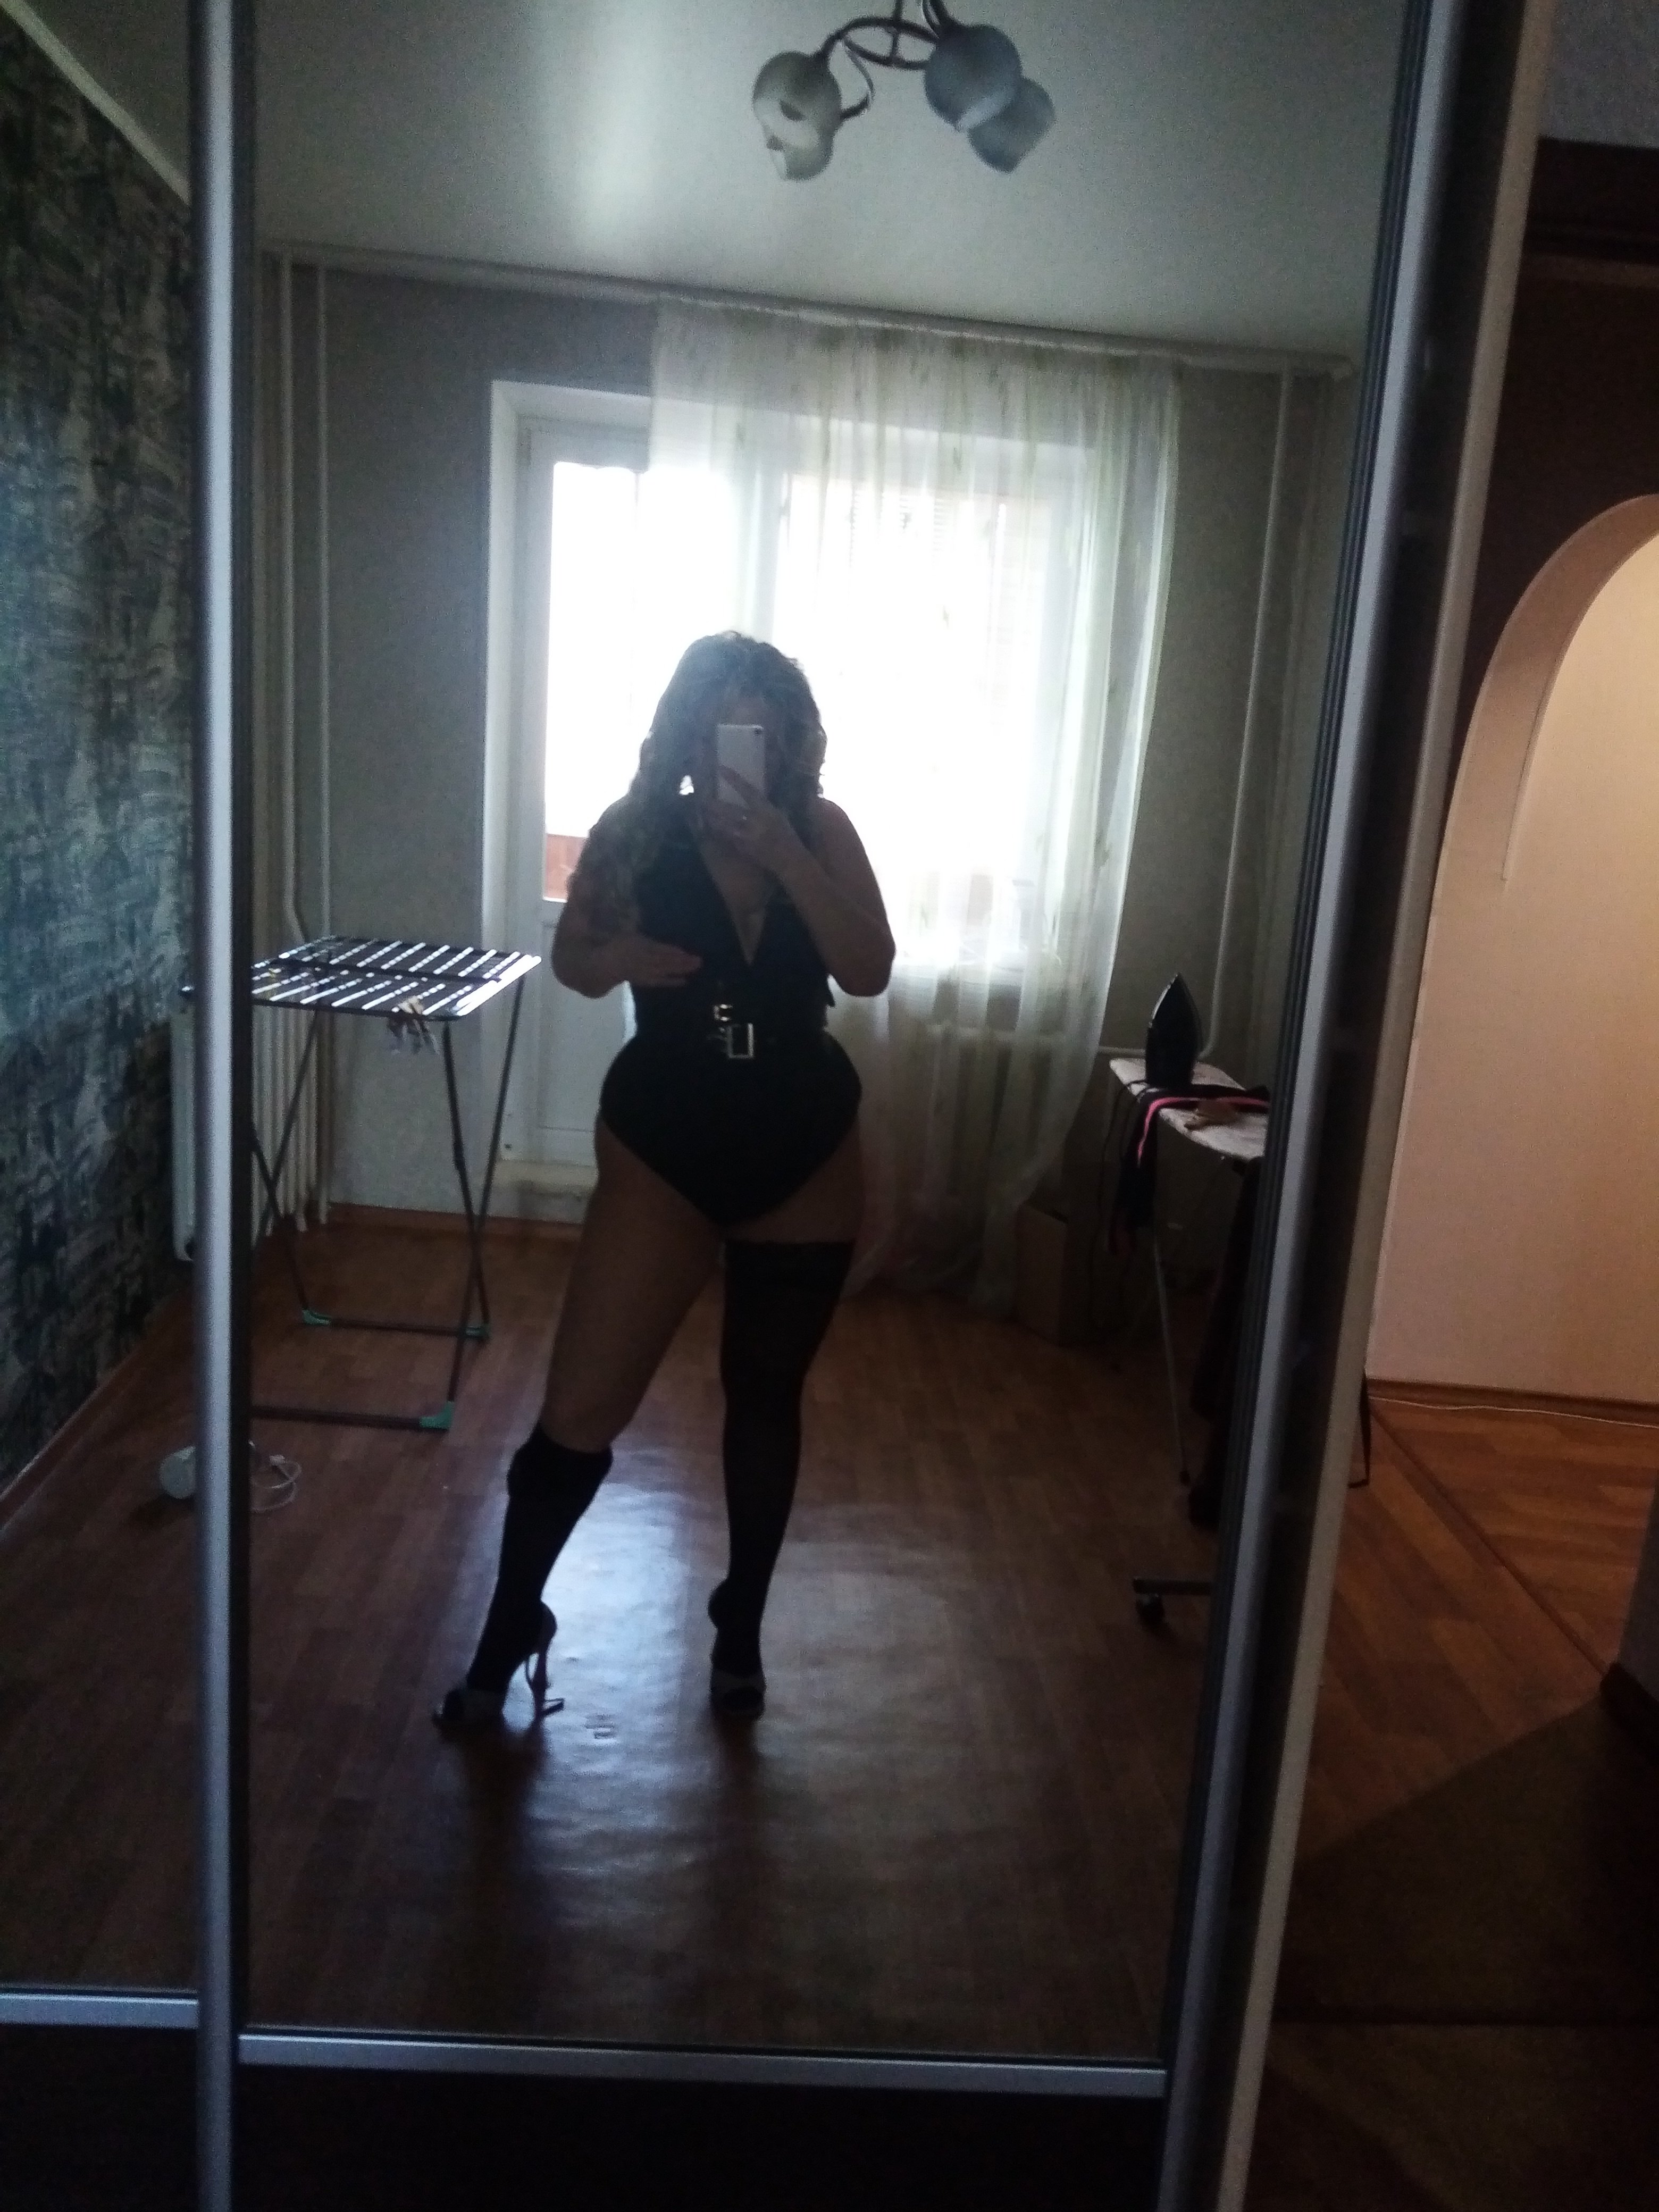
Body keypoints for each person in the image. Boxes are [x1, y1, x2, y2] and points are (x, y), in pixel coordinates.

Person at [434, 633, 894, 1729]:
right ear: (684, 737)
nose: (730, 749)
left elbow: (870, 967)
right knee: (578, 1411)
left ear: (789, 742)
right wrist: (623, 961)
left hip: (801, 1142)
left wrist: (787, 855)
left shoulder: (823, 831)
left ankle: (741, 1623)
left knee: (765, 1399)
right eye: (712, 726)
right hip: (667, 1145)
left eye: (756, 729)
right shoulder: (635, 830)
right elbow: (574, 962)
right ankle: (509, 1625)